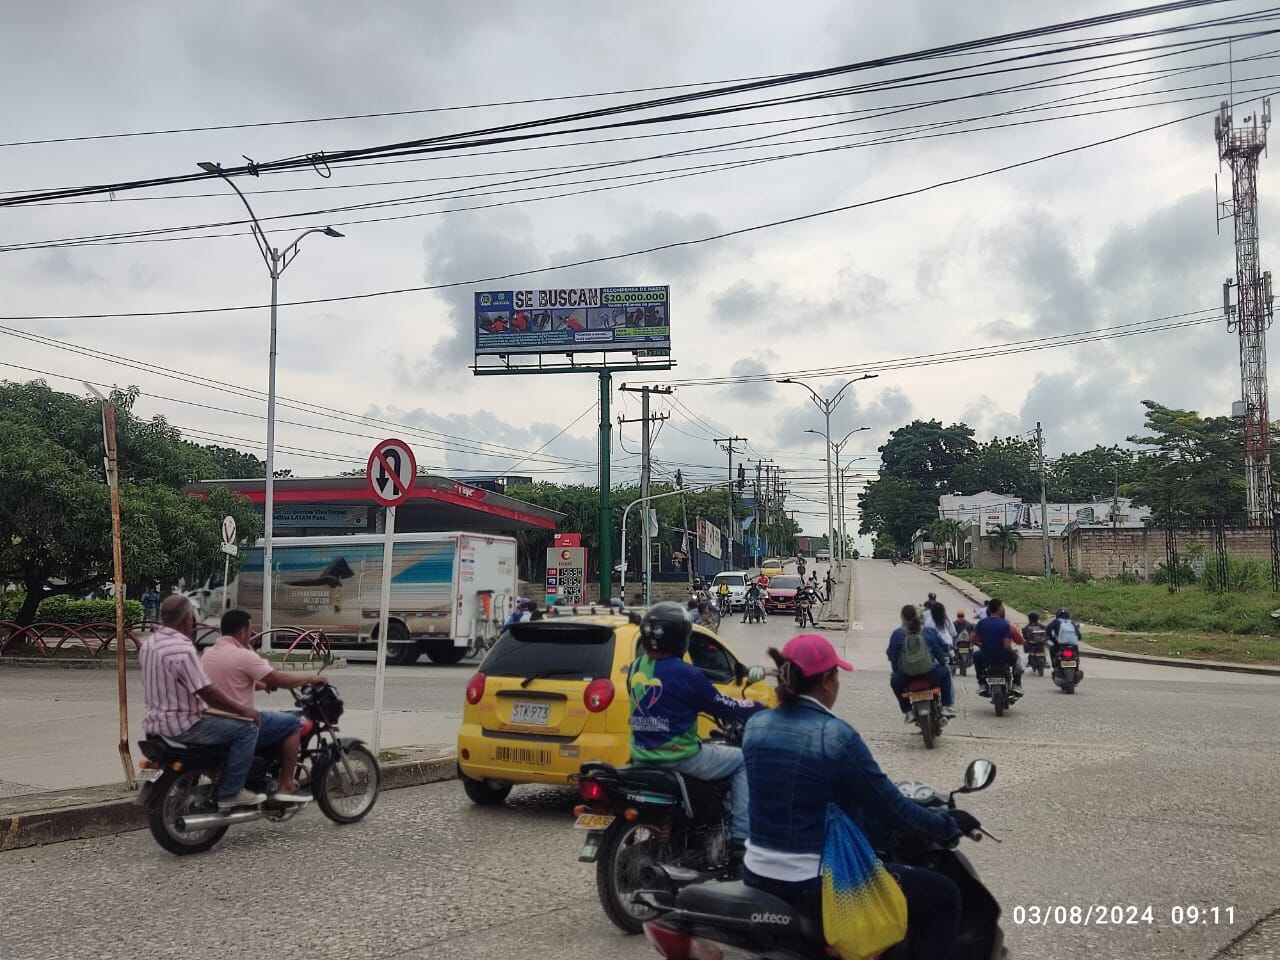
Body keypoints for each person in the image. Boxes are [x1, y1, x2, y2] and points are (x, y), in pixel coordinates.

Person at [742, 634, 973, 959]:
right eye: (836, 675)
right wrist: (947, 827)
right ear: (826, 680)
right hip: (812, 882)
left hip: (755, 872)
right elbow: (892, 809)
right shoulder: (835, 736)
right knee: (944, 895)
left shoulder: (756, 725)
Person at [628, 602, 766, 851]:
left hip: (641, 754)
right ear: (681, 638)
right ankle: (741, 838)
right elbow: (724, 705)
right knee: (743, 759)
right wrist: (758, 708)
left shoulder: (636, 668)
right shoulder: (686, 674)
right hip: (680, 756)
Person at [140, 595, 264, 809]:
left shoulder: (149, 645)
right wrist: (243, 710)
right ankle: (231, 791)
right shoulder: (182, 649)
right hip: (184, 725)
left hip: (155, 724)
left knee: (220, 720)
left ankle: (192, 782)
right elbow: (206, 691)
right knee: (247, 729)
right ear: (188, 619)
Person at [201, 609, 321, 804]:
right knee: (291, 723)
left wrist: (263, 685)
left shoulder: (208, 654)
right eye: (250, 631)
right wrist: (312, 678)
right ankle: (287, 786)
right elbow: (279, 678)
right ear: (242, 631)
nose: (251, 635)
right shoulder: (242, 655)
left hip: (212, 721)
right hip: (240, 721)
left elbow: (233, 681)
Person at [888, 605, 956, 721]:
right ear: (918, 616)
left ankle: (908, 711)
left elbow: (892, 655)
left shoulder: (897, 634)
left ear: (902, 617)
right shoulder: (928, 631)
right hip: (930, 673)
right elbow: (938, 650)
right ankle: (946, 706)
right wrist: (943, 663)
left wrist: (897, 672)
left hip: (907, 675)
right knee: (945, 672)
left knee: (894, 682)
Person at [972, 598, 1023, 695]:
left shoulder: (981, 623)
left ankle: (982, 683)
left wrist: (981, 646)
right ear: (1000, 608)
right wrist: (1014, 653)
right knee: (1018, 659)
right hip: (1003, 657)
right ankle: (1016, 684)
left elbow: (973, 639)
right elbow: (1007, 645)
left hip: (985, 656)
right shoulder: (1006, 625)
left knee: (975, 656)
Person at [1046, 607, 1085, 678]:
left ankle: (1055, 667)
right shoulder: (1071, 622)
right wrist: (1077, 639)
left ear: (1057, 614)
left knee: (1052, 650)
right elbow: (1078, 635)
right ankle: (1077, 668)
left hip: (1059, 644)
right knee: (1076, 655)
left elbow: (1048, 629)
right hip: (1073, 645)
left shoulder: (1056, 621)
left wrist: (1052, 639)